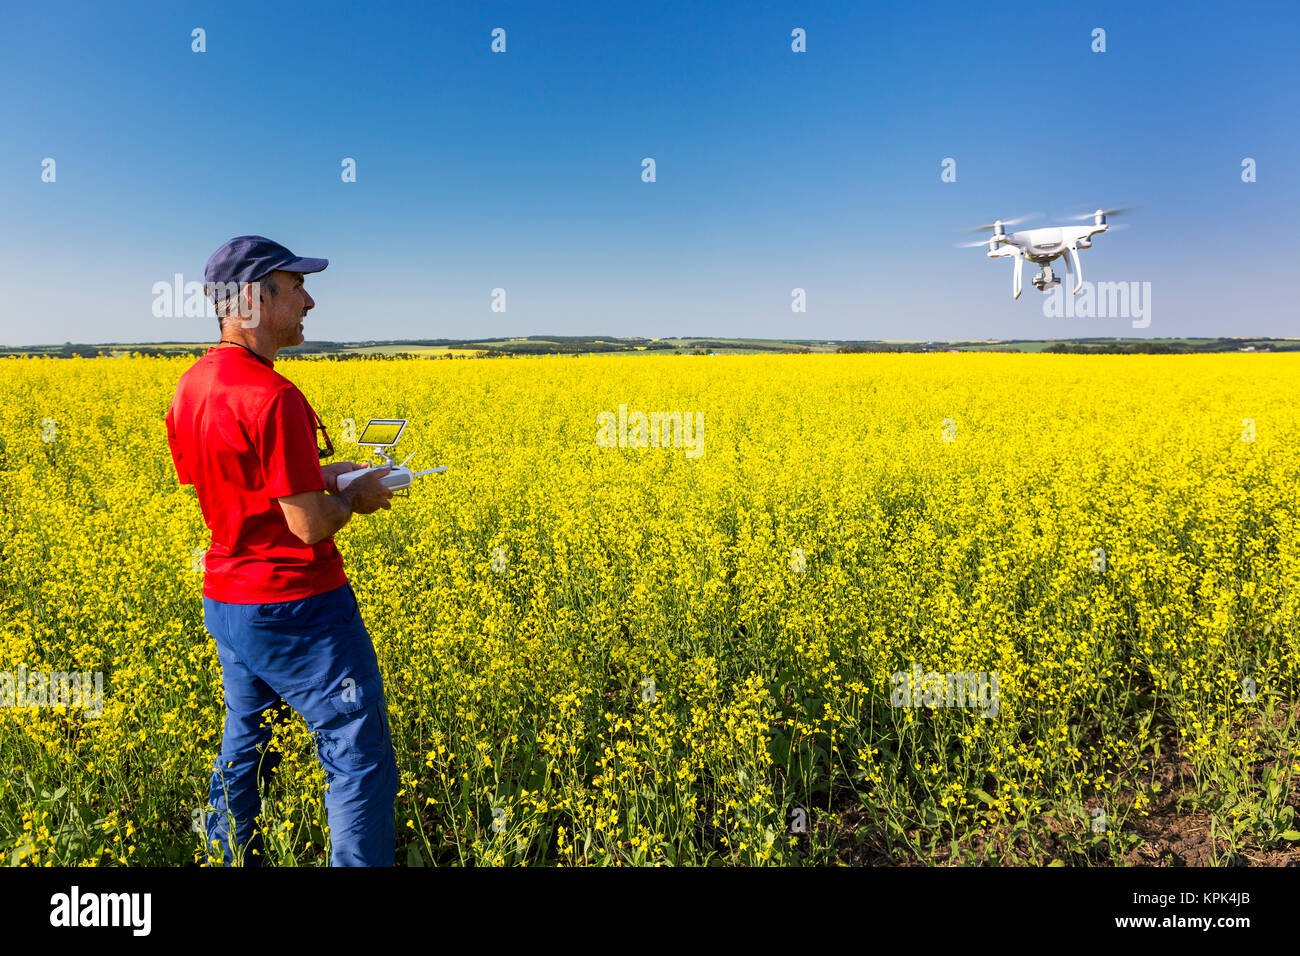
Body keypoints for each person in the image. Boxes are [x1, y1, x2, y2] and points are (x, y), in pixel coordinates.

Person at [165, 235, 399, 866]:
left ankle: (227, 855)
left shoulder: (190, 388)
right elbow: (308, 527)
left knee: (246, 743)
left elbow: (237, 484)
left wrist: (322, 473)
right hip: (300, 606)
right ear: (251, 297)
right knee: (358, 750)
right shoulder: (274, 396)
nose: (310, 301)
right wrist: (357, 498)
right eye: (296, 287)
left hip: (230, 601)